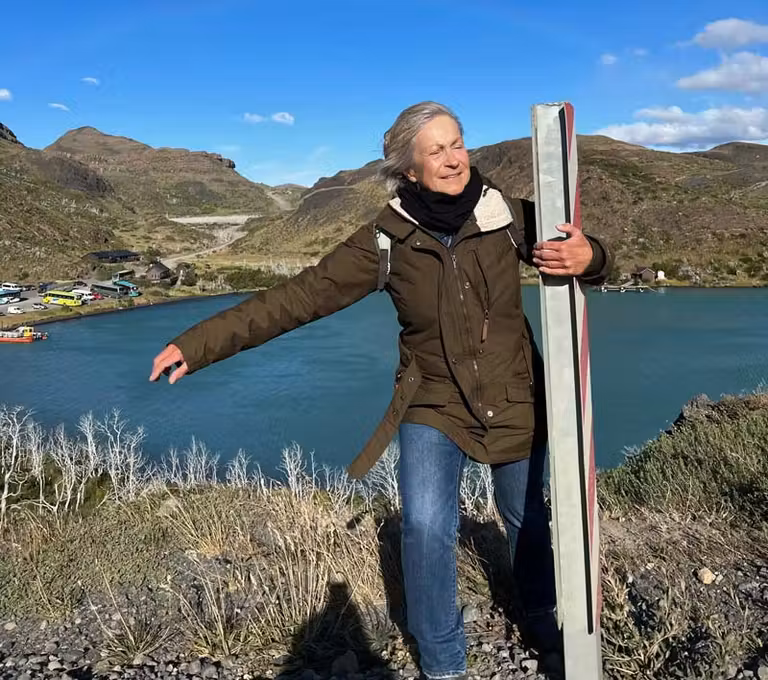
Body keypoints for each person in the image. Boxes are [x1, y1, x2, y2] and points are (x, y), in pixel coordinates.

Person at [150, 101, 612, 679]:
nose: (454, 159)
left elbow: (583, 249)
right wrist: (198, 344)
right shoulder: (385, 239)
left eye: (457, 143)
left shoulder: (507, 216)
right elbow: (300, 297)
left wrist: (591, 255)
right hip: (432, 398)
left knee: (525, 515)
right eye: (436, 151)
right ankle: (443, 662)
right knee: (425, 526)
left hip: (514, 388)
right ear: (409, 169)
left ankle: (542, 618)